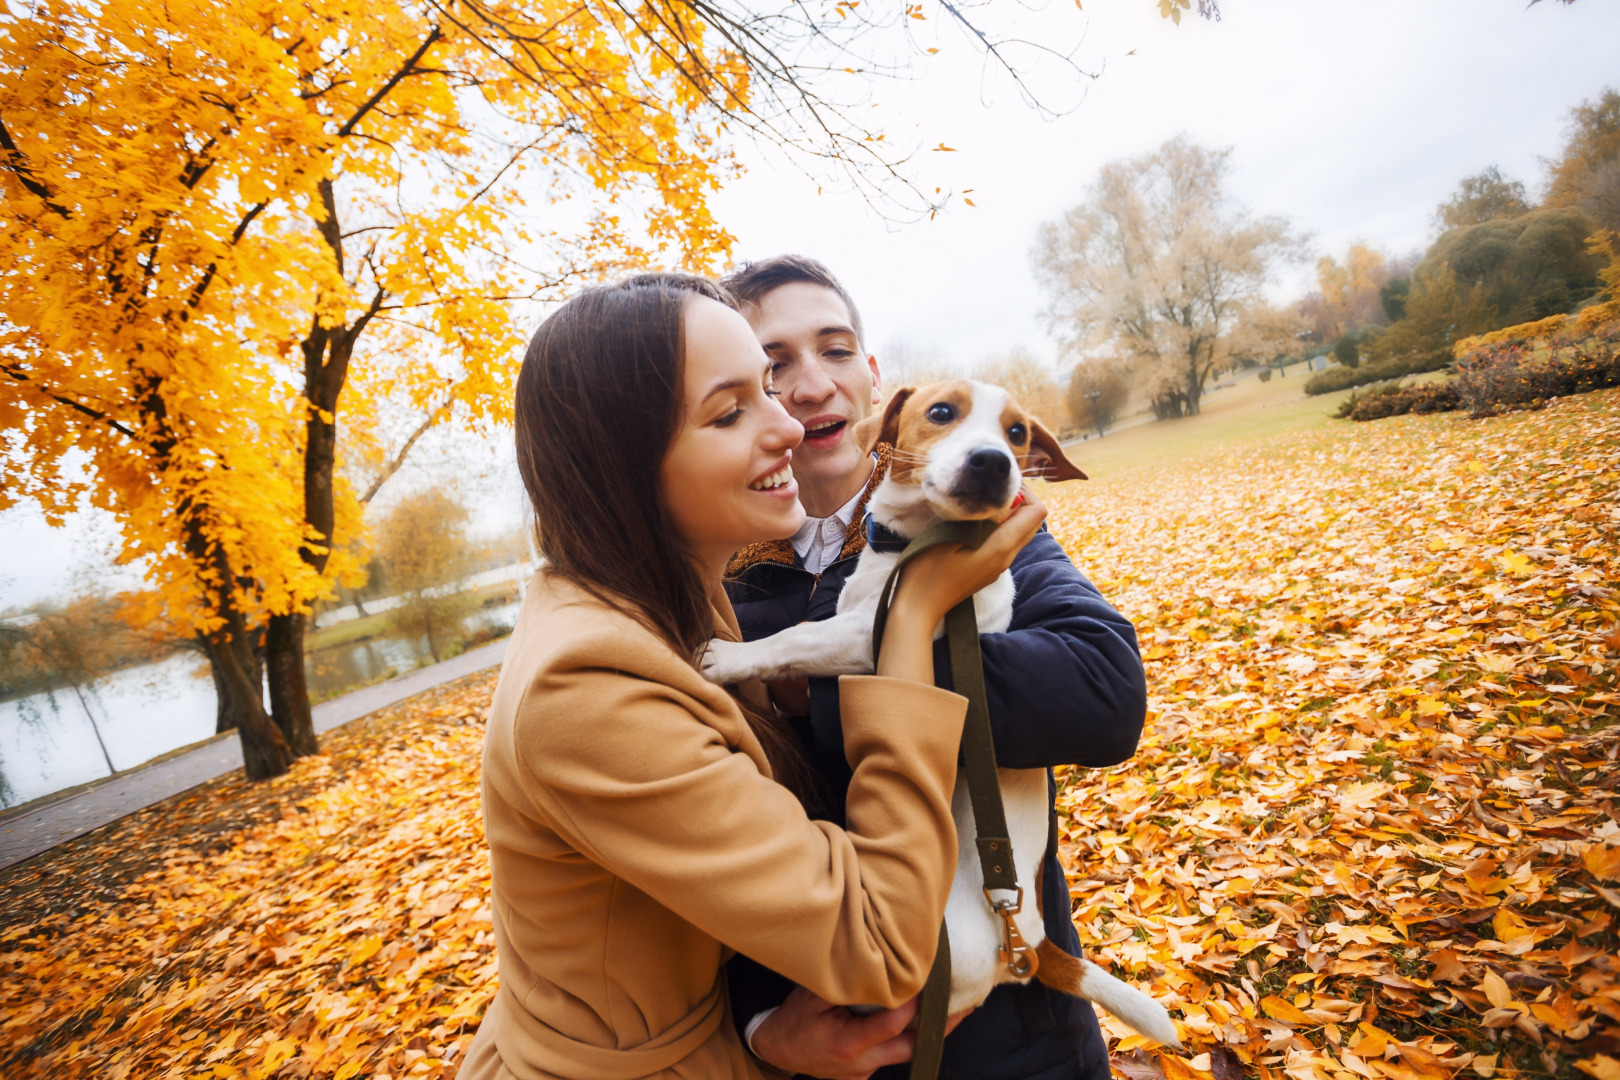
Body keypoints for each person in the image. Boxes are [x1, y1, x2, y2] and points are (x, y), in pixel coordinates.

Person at [463, 273, 1048, 1080]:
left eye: (767, 390)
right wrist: (911, 620)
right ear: (624, 465)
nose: (788, 424)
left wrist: (760, 1035)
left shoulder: (675, 606)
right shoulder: (586, 680)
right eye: (731, 410)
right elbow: (879, 945)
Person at [720, 256, 1147, 1080]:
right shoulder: (716, 589)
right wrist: (762, 1027)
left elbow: (1105, 694)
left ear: (876, 384)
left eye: (835, 349)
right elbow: (704, 835)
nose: (811, 386)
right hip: (828, 1042)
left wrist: (835, 688)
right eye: (774, 365)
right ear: (741, 399)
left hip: (1022, 1043)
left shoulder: (982, 526)